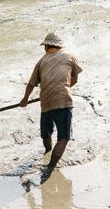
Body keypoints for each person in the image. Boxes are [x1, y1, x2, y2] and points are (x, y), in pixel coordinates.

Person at [20, 32, 83, 169]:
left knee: (46, 133)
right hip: (63, 102)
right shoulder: (70, 56)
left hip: (46, 103)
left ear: (47, 47)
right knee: (63, 138)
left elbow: (31, 84)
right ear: (59, 46)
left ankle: (47, 151)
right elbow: (75, 79)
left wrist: (24, 100)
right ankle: (50, 167)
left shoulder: (41, 61)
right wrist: (64, 88)